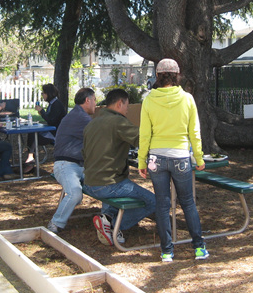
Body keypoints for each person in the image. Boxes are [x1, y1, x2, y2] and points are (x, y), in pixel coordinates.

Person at [138, 58, 209, 262]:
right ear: (177, 75)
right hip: (181, 157)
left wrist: (142, 161)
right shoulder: (187, 99)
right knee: (188, 203)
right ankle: (199, 248)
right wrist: (199, 157)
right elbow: (194, 132)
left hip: (156, 158)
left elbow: (145, 135)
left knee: (162, 204)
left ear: (157, 76)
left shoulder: (149, 100)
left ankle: (167, 251)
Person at [83, 88, 156, 246]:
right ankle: (114, 226)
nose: (127, 110)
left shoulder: (92, 123)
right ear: (119, 103)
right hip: (108, 184)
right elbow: (142, 139)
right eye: (127, 106)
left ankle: (106, 219)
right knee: (153, 201)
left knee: (116, 187)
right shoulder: (118, 121)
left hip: (89, 181)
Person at [46, 88, 97, 234]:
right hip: (66, 165)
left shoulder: (77, 114)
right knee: (75, 194)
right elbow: (101, 135)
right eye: (94, 100)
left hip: (79, 165)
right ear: (87, 100)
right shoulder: (81, 118)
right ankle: (55, 224)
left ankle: (107, 218)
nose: (96, 103)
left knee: (106, 185)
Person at [23, 83, 67, 170]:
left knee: (33, 136)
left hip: (56, 134)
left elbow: (51, 120)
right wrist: (42, 113)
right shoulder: (53, 103)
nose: (42, 95)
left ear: (48, 94)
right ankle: (30, 159)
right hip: (52, 131)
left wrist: (42, 111)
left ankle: (31, 160)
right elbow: (50, 118)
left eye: (43, 93)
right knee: (32, 133)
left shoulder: (56, 104)